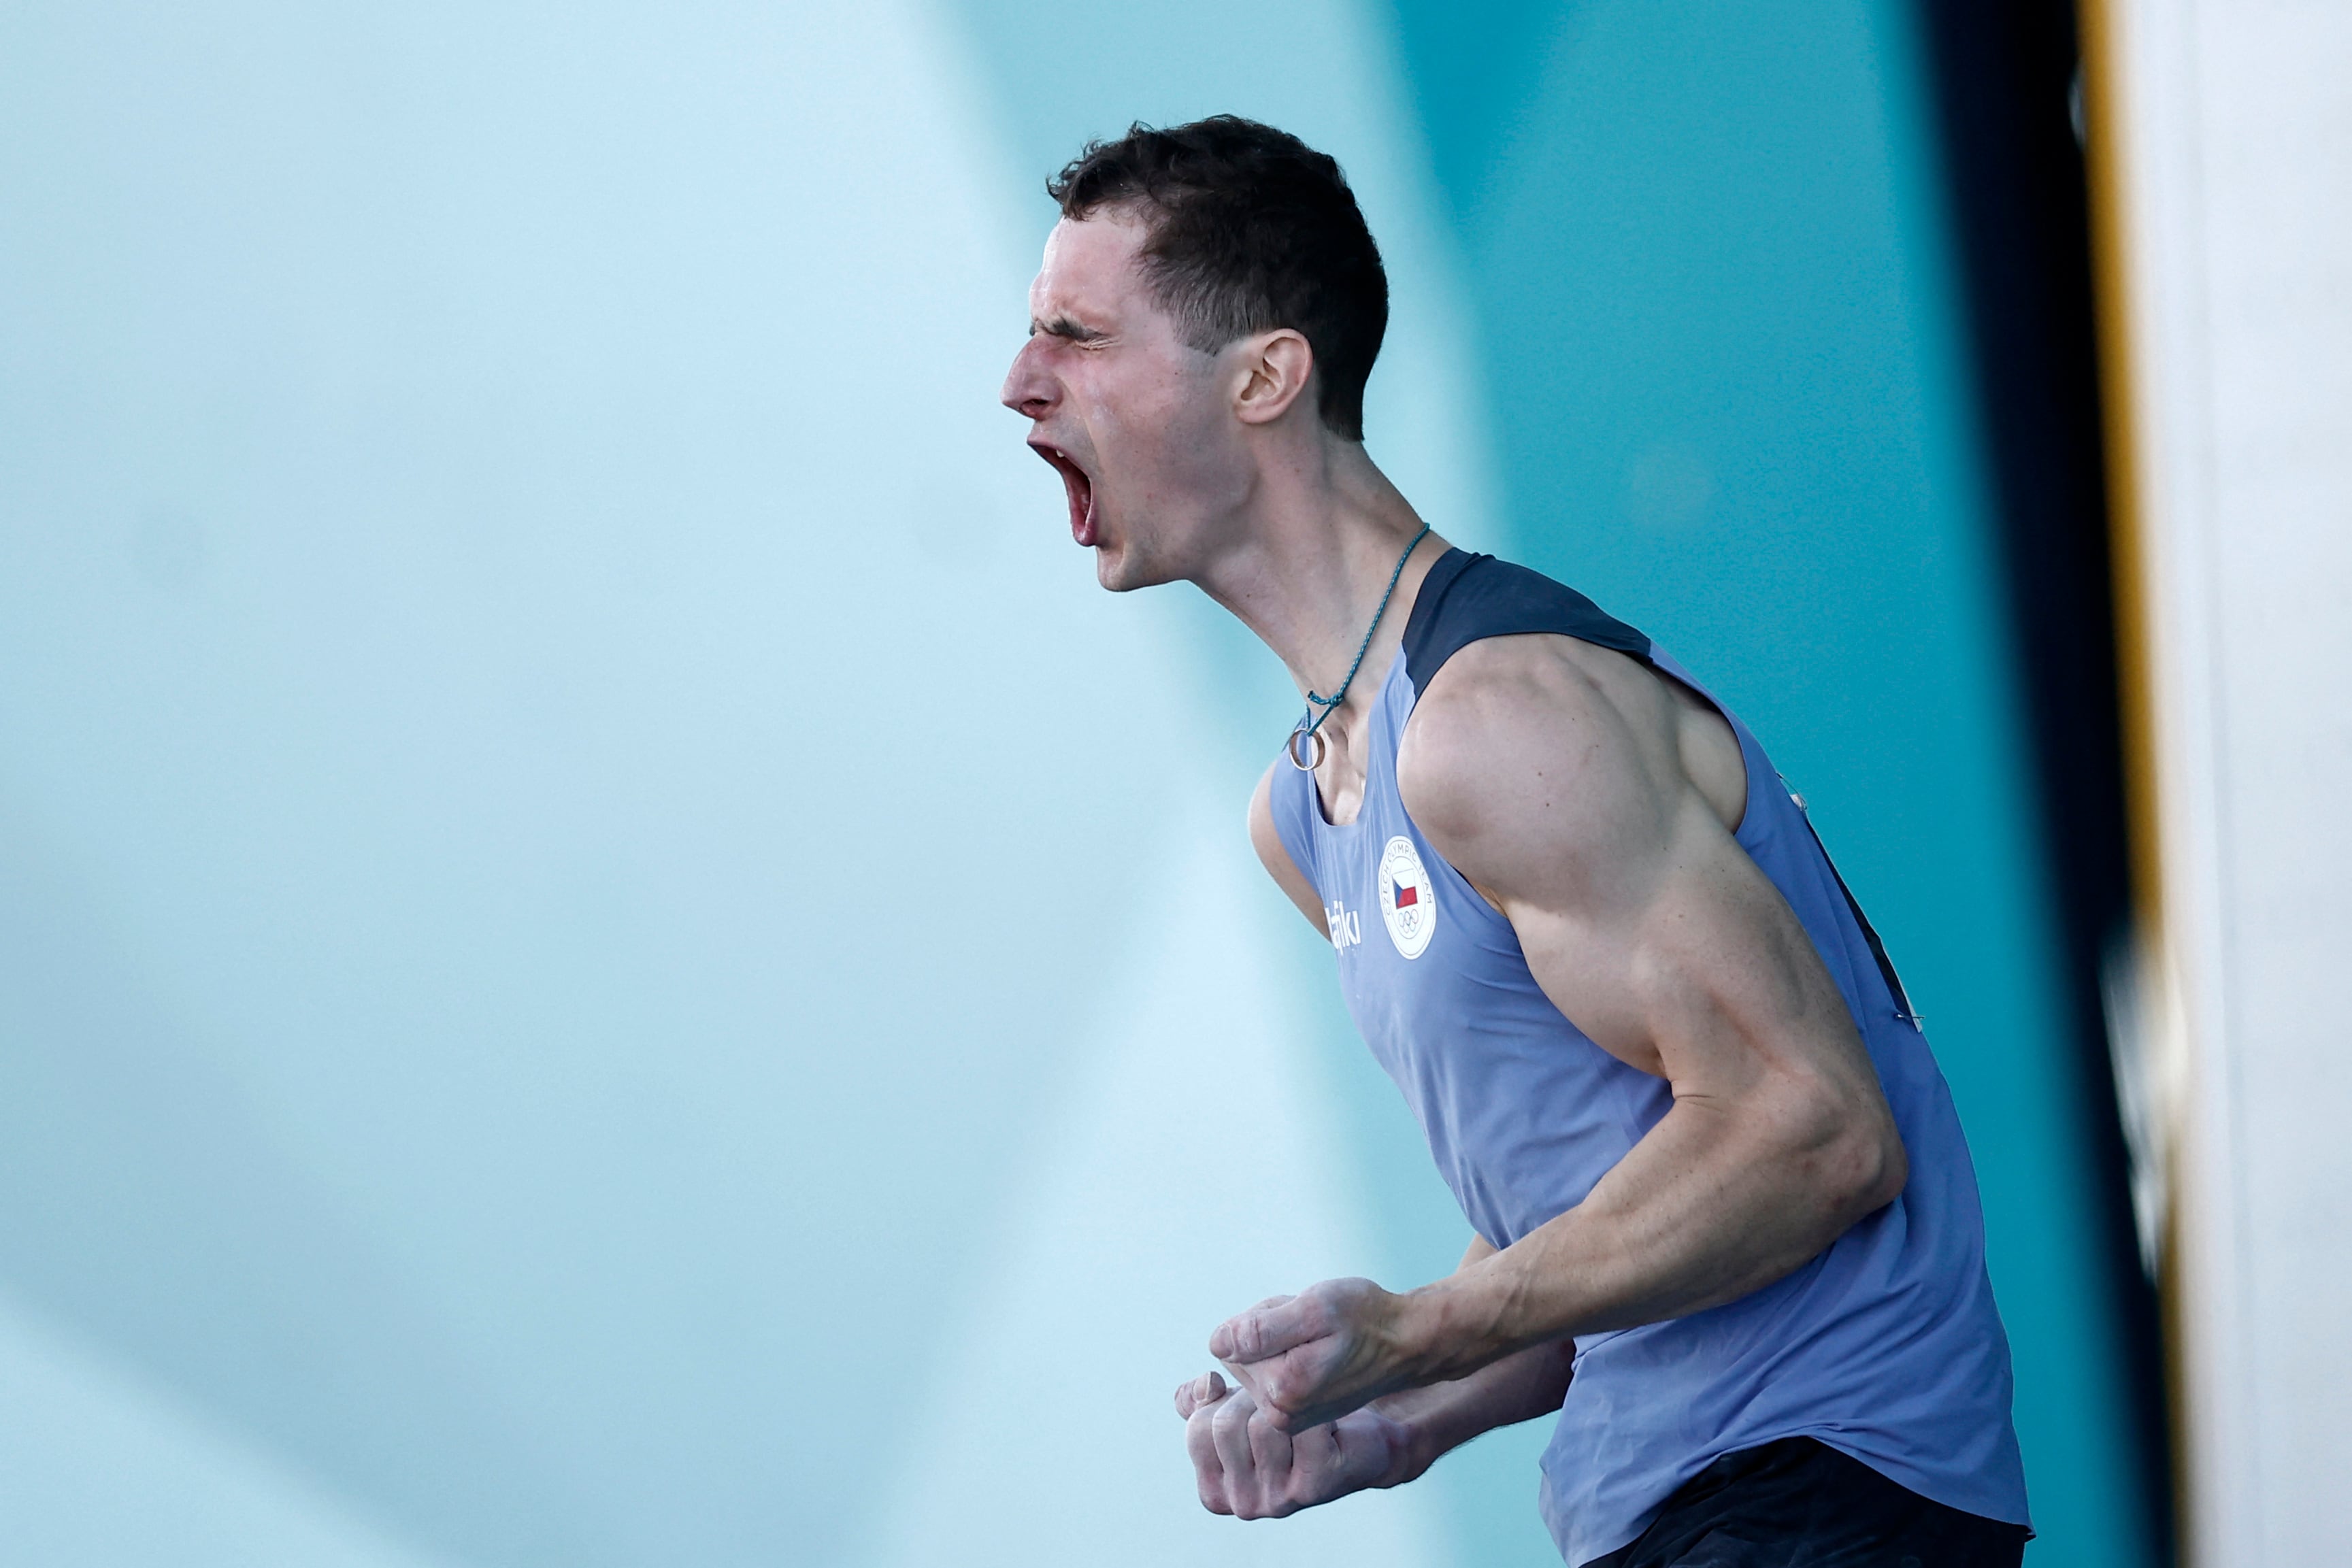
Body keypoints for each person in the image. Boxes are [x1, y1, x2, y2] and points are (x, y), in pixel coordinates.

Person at [998, 115, 2033, 1568]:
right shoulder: (1306, 810)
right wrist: (1395, 1413)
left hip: (1820, 1482)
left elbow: (1812, 1131)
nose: (1018, 382)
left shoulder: (1498, 718)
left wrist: (1422, 1326)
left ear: (1264, 377)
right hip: (1671, 1502)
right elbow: (1605, 1211)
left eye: (1075, 334)